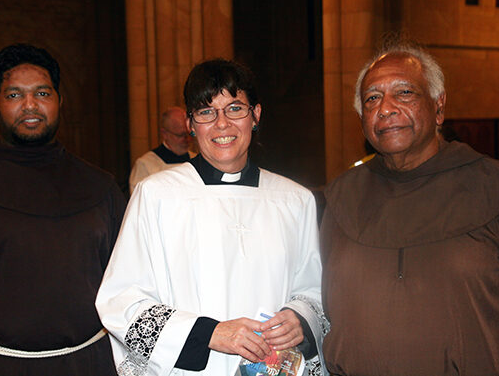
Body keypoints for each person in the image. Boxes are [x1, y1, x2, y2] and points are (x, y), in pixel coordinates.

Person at [96, 59, 329, 376]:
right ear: (191, 124)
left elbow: (314, 290)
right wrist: (208, 333)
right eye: (207, 112)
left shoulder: (294, 200)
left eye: (235, 108)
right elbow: (121, 302)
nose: (222, 124)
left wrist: (299, 318)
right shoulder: (156, 196)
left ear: (256, 115)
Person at [0, 44, 127, 376]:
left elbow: (128, 286)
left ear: (60, 101)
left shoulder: (101, 188)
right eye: (14, 95)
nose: (30, 105)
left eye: (42, 93)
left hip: (90, 365)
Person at [320, 39, 499, 376]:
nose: (386, 108)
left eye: (405, 93)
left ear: (439, 107)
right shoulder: (339, 196)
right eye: (372, 99)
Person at [128, 106, 192, 193]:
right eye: (181, 135)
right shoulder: (145, 164)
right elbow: (140, 201)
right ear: (164, 134)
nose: (187, 139)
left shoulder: (197, 159)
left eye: (190, 134)